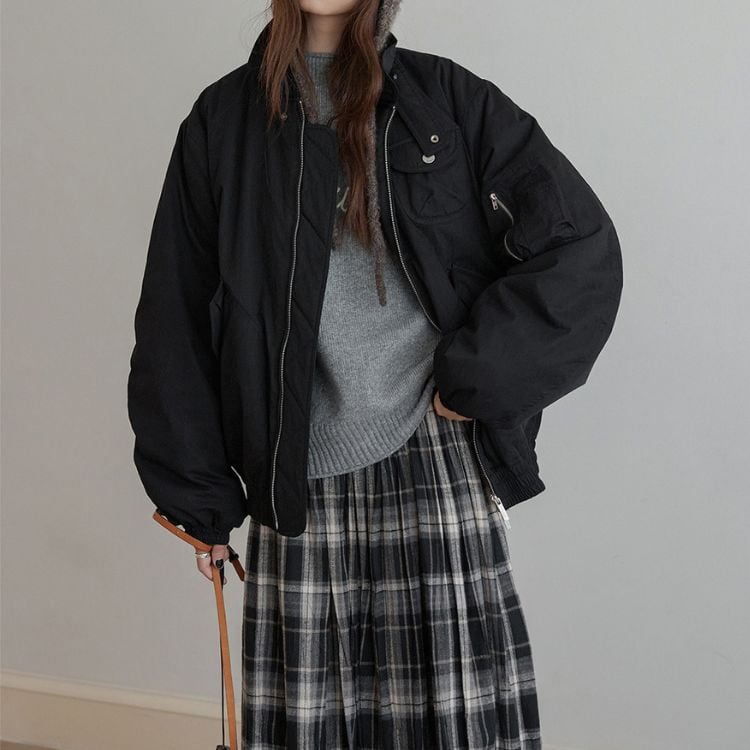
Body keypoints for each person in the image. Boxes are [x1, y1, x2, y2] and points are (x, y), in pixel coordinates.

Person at [127, 1, 623, 748]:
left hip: (436, 454)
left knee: (455, 726)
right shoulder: (222, 120)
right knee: (313, 726)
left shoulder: (446, 100)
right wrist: (196, 497)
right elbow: (177, 311)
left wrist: (476, 381)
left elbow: (577, 248)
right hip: (296, 469)